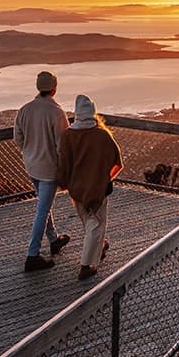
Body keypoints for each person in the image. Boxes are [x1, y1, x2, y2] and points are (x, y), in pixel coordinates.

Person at [57, 94, 123, 281]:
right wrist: (103, 177)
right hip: (97, 188)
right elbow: (116, 160)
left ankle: (100, 246)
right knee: (96, 223)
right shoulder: (102, 135)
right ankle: (87, 264)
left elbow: (64, 163)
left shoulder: (68, 135)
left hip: (76, 188)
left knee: (89, 221)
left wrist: (64, 183)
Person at [14, 70, 71, 272]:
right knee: (42, 210)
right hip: (49, 169)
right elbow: (62, 145)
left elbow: (18, 138)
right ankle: (33, 255)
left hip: (31, 165)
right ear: (54, 89)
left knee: (44, 205)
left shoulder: (24, 110)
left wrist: (30, 151)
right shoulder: (57, 113)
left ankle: (54, 239)